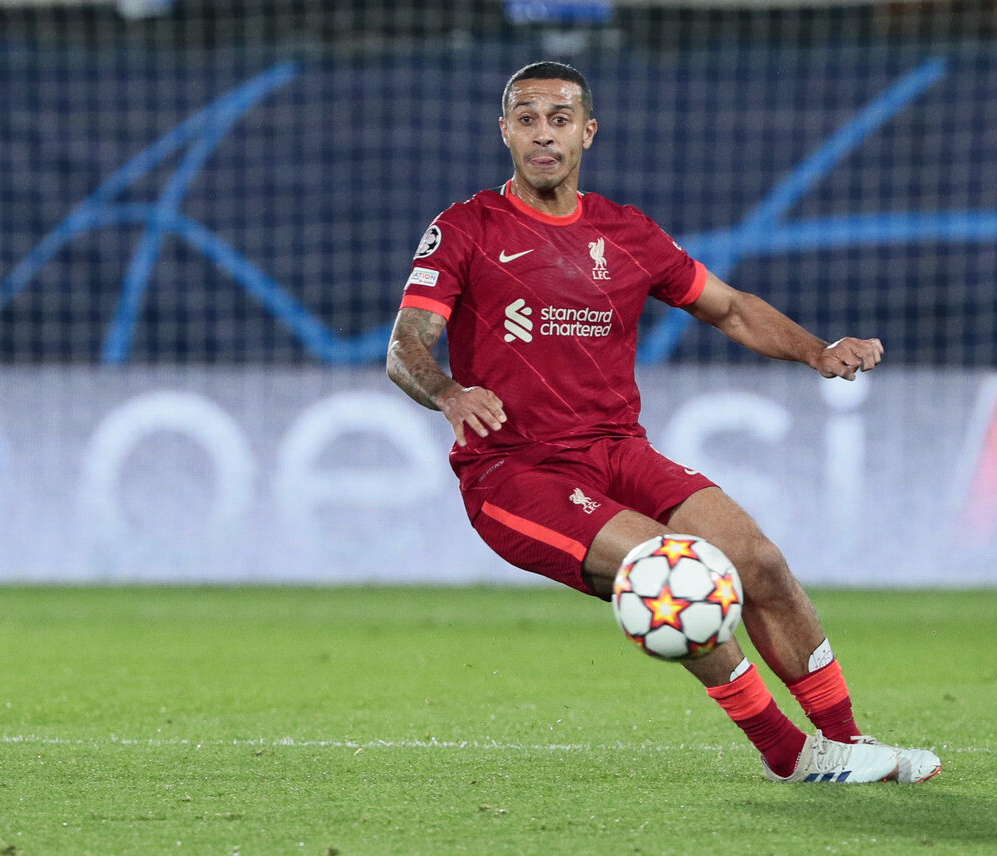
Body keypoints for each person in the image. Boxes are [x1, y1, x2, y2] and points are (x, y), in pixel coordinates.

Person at [386, 61, 940, 784]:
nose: (543, 134)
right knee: (671, 575)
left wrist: (816, 350)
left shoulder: (624, 231)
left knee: (760, 562)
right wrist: (449, 392)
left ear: (588, 132)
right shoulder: (468, 228)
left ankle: (848, 742)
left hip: (618, 451)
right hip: (515, 472)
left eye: (559, 119)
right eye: (527, 119)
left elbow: (730, 308)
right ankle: (790, 753)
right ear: (505, 132)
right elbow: (405, 345)